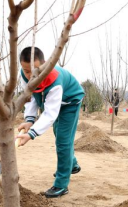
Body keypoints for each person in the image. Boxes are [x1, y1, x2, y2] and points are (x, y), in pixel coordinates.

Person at [15, 46, 85, 198]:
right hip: (53, 103)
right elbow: (32, 96)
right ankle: (71, 164)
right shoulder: (24, 75)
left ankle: (61, 185)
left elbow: (50, 113)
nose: (30, 75)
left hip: (70, 101)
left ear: (45, 64)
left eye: (34, 70)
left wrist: (32, 133)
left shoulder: (55, 80)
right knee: (58, 133)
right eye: (26, 70)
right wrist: (29, 119)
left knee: (63, 140)